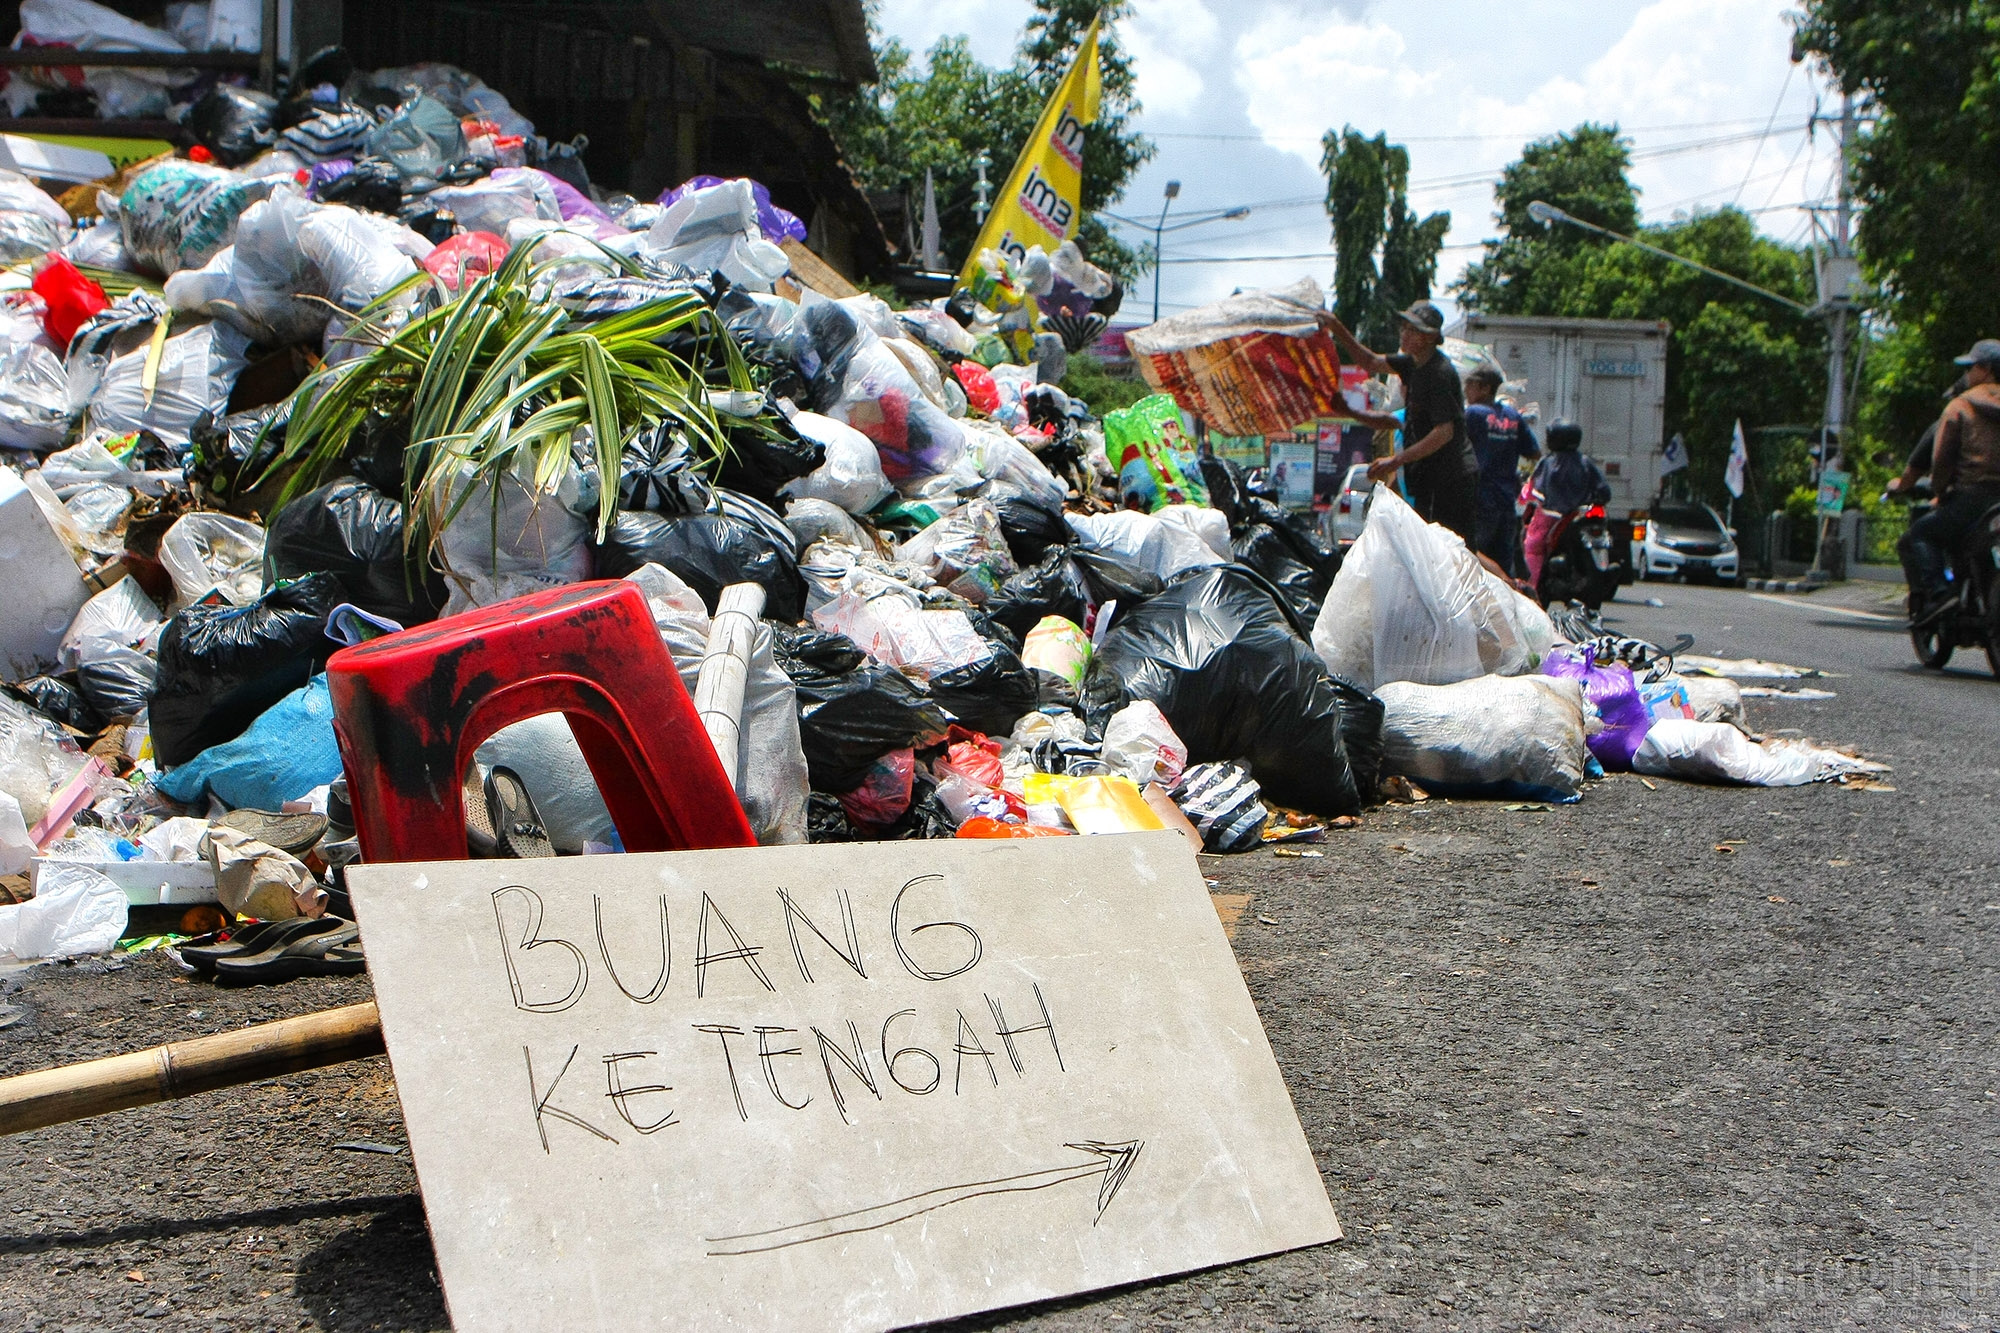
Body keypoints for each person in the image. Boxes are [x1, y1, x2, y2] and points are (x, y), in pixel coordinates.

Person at [1317, 300, 1479, 543]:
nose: (1403, 333)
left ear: (1428, 337)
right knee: (1428, 549)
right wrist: (1337, 328)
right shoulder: (1411, 364)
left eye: (1411, 329)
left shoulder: (1440, 373)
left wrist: (1395, 460)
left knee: (1452, 550)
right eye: (1403, 327)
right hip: (1428, 478)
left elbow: (1443, 432)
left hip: (1450, 477)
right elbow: (1370, 362)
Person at [1900, 340, 2000, 617]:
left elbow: (1941, 458)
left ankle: (1941, 594)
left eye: (1970, 367)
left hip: (1972, 500)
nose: (1967, 374)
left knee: (1921, 533)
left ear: (1985, 369)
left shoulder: (1961, 406)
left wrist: (1940, 490)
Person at [1463, 366, 1540, 573]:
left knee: (1472, 557)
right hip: (1505, 500)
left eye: (1470, 385)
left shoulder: (1473, 414)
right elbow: (1533, 453)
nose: (1466, 390)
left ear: (1485, 388)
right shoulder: (1513, 417)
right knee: (1503, 563)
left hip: (1479, 498)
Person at [1521, 419, 1611, 585]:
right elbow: (1604, 490)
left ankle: (1530, 586)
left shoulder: (1548, 463)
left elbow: (1535, 490)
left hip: (1551, 516)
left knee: (1533, 546)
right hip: (1578, 514)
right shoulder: (1585, 461)